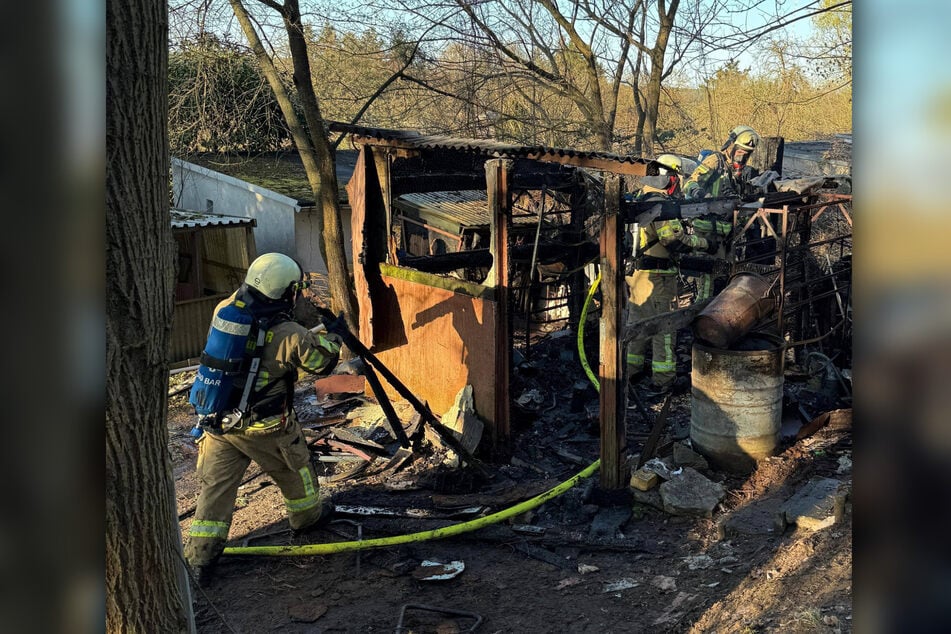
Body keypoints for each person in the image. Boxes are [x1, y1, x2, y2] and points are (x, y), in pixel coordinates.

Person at [184, 252, 343, 584]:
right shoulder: (289, 334)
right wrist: (335, 337)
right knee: (296, 473)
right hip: (266, 429)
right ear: (284, 292)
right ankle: (306, 520)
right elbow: (321, 363)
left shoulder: (225, 312)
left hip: (221, 425)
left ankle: (200, 561)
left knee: (216, 490)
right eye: (294, 290)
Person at [626, 156, 717, 395]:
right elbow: (672, 240)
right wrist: (704, 243)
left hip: (636, 276)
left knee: (637, 325)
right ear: (669, 178)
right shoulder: (660, 204)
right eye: (677, 178)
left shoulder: (638, 197)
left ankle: (630, 372)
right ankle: (664, 380)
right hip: (658, 277)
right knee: (664, 329)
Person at [683, 125, 761, 200]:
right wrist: (704, 195)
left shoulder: (738, 171)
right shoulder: (715, 161)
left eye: (747, 155)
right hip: (707, 210)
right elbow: (689, 184)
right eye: (740, 152)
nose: (742, 158)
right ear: (731, 146)